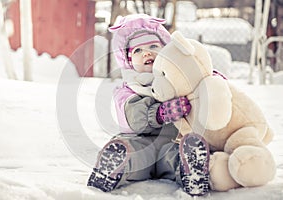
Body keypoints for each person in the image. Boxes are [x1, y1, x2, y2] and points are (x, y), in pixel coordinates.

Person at [87, 14, 210, 196]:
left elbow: (202, 78)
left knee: (175, 157)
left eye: (153, 46)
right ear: (128, 60)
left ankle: (191, 170)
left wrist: (210, 82)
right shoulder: (128, 88)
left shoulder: (178, 79)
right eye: (137, 50)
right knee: (132, 156)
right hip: (140, 142)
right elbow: (132, 116)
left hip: (172, 141)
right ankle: (111, 166)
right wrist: (159, 113)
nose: (147, 53)